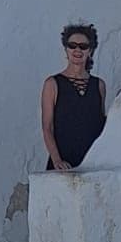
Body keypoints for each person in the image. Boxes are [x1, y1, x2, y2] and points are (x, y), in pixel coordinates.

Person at [41, 22, 106, 172]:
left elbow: (100, 124)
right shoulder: (52, 84)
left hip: (92, 163)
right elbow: (47, 127)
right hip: (63, 164)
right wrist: (57, 160)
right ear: (66, 49)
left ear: (90, 51)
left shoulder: (99, 85)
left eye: (83, 46)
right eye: (72, 45)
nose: (77, 50)